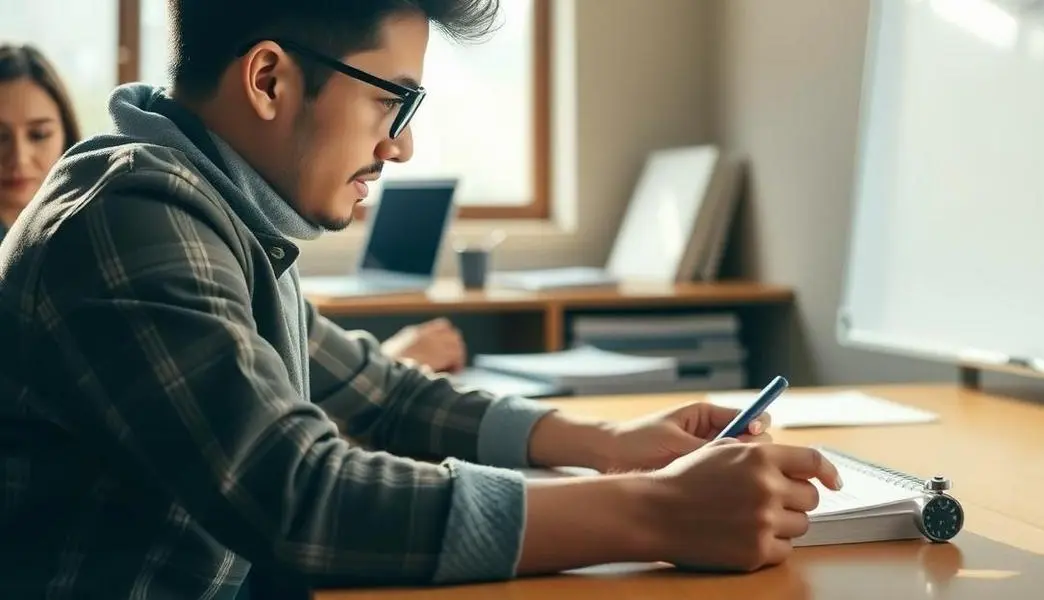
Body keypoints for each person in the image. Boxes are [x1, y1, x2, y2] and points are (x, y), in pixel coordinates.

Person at [0, 1, 841, 598]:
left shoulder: (218, 207)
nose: (401, 144)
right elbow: (303, 497)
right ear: (268, 79)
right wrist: (657, 513)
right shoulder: (126, 222)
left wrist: (608, 442)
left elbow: (379, 391)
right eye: (390, 98)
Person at [0, 44, 461, 372]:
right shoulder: (134, 217)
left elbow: (339, 381)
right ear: (267, 81)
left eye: (39, 134)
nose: (19, 159)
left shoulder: (239, 220)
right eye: (388, 99)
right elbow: (289, 475)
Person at [0, 44, 81, 239]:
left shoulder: (93, 225)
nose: (20, 158)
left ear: (66, 133)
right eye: (0, 137)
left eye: (39, 134)